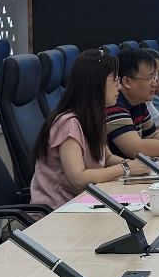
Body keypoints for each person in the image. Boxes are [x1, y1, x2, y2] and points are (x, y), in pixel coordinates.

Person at [30, 49, 135, 209]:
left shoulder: (92, 117)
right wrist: (125, 168)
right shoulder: (69, 124)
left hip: (83, 203)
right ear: (96, 83)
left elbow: (106, 158)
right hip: (58, 211)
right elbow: (78, 179)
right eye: (115, 79)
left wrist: (136, 166)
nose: (119, 87)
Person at [106, 46, 159, 159]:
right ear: (127, 82)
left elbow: (153, 135)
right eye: (149, 78)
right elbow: (136, 149)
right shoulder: (114, 104)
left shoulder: (138, 102)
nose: (155, 83)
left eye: (155, 77)